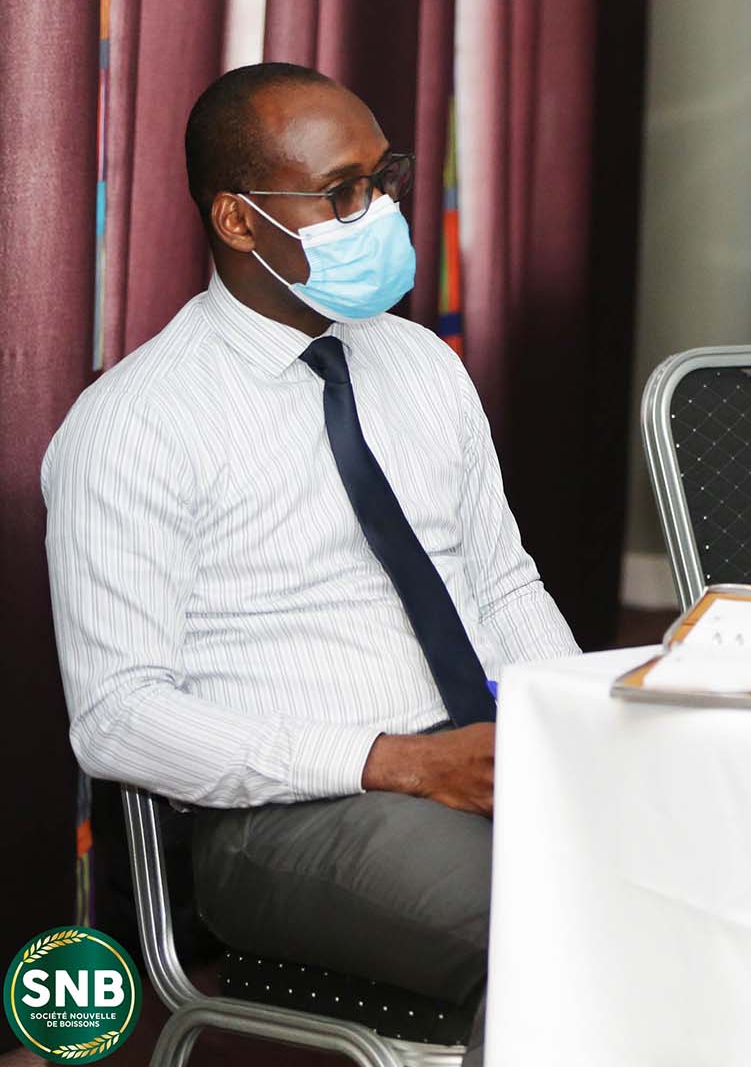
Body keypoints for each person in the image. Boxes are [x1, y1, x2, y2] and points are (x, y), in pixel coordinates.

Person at [42, 63, 573, 1064]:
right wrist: (395, 761)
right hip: (290, 819)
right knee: (561, 924)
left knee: (719, 868)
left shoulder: (423, 366)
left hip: (484, 758)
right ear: (238, 221)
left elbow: (504, 585)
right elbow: (117, 718)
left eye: (383, 179)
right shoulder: (134, 426)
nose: (378, 212)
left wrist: (573, 729)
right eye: (341, 193)